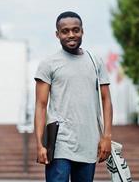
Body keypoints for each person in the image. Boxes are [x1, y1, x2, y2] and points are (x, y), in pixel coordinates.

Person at [34, 11, 113, 182]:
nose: (71, 35)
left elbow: (106, 100)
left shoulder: (95, 61)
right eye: (65, 31)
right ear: (57, 34)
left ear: (82, 31)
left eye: (75, 30)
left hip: (89, 142)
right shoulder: (48, 64)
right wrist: (40, 144)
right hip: (59, 143)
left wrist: (107, 136)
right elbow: (40, 106)